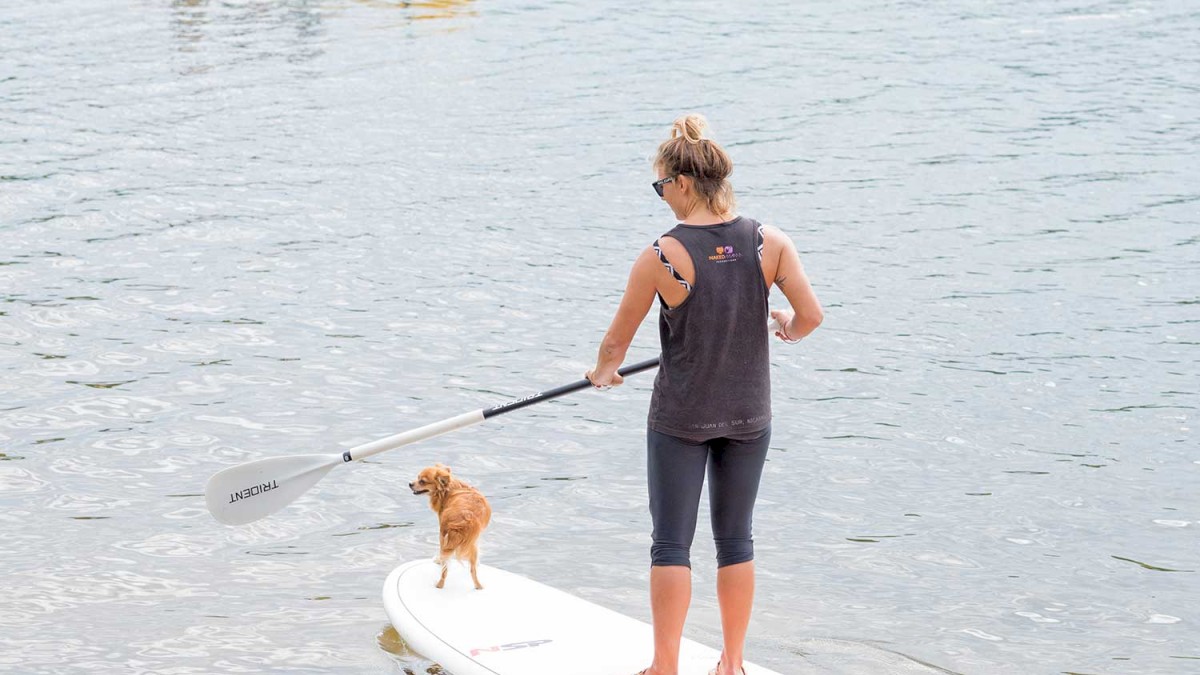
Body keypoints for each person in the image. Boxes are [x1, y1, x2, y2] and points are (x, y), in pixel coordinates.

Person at [586, 113, 823, 675]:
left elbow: (616, 343)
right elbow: (810, 317)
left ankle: (664, 666)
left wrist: (603, 374)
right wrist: (786, 326)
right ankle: (732, 664)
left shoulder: (661, 255)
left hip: (682, 419)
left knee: (671, 544)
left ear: (685, 183)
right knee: (736, 541)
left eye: (661, 185)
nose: (662, 196)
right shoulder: (771, 242)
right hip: (748, 417)